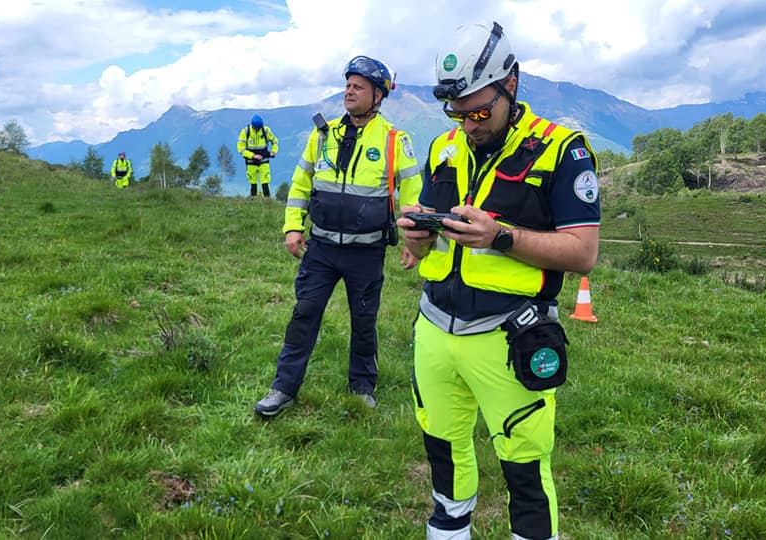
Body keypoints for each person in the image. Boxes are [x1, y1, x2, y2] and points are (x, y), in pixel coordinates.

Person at [397, 22, 600, 540]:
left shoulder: (563, 150)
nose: (469, 125)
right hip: (435, 330)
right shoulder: (443, 147)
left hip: (510, 336)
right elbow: (427, 247)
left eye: (479, 112)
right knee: (443, 457)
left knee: (525, 474)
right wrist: (416, 236)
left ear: (511, 83)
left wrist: (500, 237)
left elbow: (583, 253)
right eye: (457, 113)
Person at [254, 55, 422, 416]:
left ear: (378, 95)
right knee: (304, 314)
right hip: (322, 248)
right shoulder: (322, 134)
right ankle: (283, 388)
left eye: (358, 86)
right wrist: (293, 226)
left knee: (364, 322)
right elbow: (301, 182)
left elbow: (412, 194)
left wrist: (413, 239)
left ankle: (362, 388)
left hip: (367, 252)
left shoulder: (395, 140)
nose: (349, 91)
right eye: (348, 84)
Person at [237, 114, 279, 197]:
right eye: (257, 128)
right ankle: (254, 199)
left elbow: (275, 142)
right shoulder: (245, 132)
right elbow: (241, 149)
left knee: (265, 181)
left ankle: (267, 200)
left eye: (259, 127)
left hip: (264, 160)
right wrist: (253, 156)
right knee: (253, 182)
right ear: (252, 126)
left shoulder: (266, 130)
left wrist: (274, 151)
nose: (258, 129)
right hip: (251, 161)